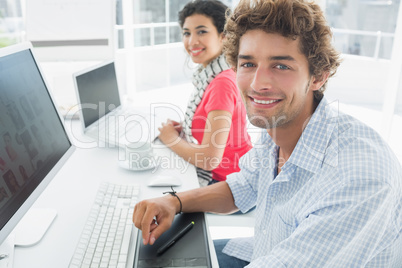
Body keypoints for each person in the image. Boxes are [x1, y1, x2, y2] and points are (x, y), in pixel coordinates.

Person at [133, 0, 402, 267]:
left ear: (318, 76)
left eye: (281, 66)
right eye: (248, 64)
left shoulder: (360, 176)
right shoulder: (278, 126)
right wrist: (173, 202)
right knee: (156, 258)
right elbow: (243, 188)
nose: (258, 83)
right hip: (265, 249)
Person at [157, 0, 252, 186]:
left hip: (228, 183)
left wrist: (170, 139)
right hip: (229, 175)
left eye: (201, 31)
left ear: (223, 36)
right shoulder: (213, 74)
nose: (192, 41)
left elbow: (210, 160)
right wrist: (186, 129)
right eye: (186, 33)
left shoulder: (221, 83)